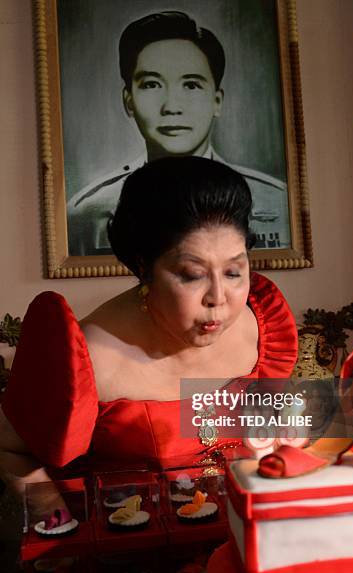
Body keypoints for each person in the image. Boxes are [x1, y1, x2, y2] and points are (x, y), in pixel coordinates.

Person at [0, 157, 297, 519]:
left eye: (234, 271)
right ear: (144, 267)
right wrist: (58, 522)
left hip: (241, 532)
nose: (219, 298)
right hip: (131, 549)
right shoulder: (88, 356)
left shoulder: (260, 326)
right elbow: (10, 448)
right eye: (191, 275)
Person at [68, 11, 290, 256]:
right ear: (128, 101)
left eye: (191, 85)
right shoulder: (88, 213)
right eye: (152, 84)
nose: (172, 106)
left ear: (217, 101)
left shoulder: (274, 201)